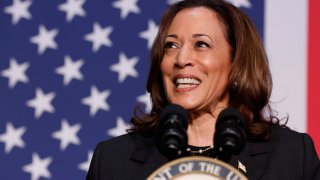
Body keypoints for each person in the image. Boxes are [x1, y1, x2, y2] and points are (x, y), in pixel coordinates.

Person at [86, 0, 320, 179]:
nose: (181, 58)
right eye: (171, 45)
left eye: (201, 44)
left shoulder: (291, 157)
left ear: (236, 63)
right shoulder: (112, 161)